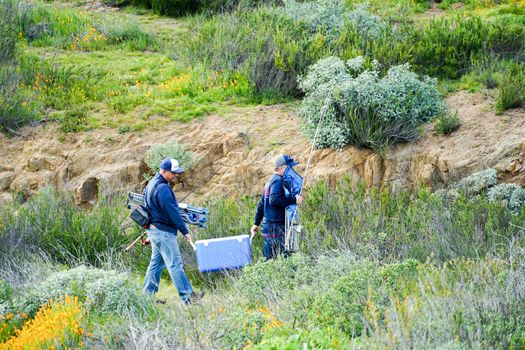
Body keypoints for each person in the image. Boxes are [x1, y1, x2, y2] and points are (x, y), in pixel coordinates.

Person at [142, 158, 204, 304]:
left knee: (156, 264)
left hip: (154, 230)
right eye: (173, 173)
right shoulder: (163, 188)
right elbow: (173, 212)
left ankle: (147, 297)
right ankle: (188, 297)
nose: (175, 175)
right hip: (163, 232)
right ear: (163, 171)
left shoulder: (151, 184)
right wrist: (185, 231)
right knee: (175, 264)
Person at [251, 154, 303, 260]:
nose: (291, 170)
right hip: (276, 229)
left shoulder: (270, 181)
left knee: (268, 262)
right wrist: (294, 200)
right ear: (283, 167)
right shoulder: (279, 180)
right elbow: (274, 200)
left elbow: (261, 204)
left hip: (268, 228)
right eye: (290, 167)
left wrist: (256, 223)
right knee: (288, 261)